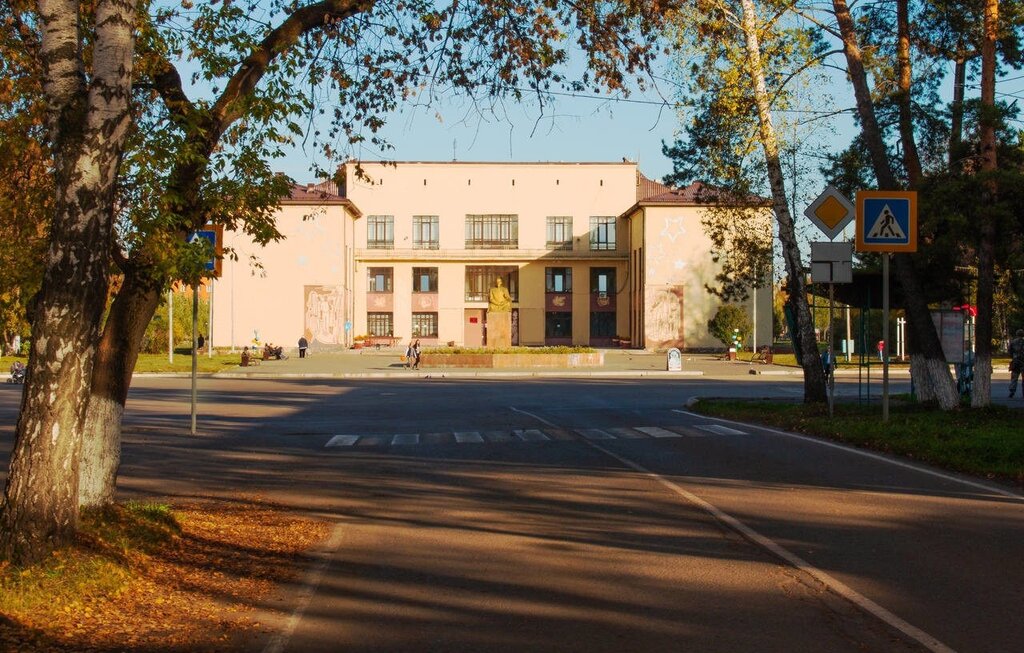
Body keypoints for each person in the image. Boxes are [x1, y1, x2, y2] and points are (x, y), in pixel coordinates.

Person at [1009, 329, 1024, 398]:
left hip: (1015, 362)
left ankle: (1012, 391)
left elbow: (1009, 351)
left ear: (1016, 334)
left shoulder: (1013, 342)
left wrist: (1013, 357)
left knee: (1014, 378)